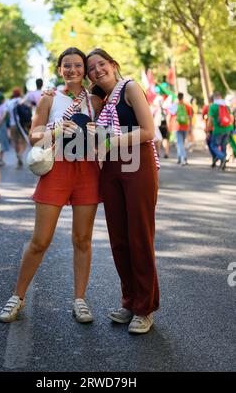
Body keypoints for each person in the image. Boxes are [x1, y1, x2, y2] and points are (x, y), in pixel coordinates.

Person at [0, 47, 102, 324]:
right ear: (59, 70)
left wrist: (98, 133)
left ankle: (80, 300)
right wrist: (55, 130)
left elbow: (109, 129)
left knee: (82, 240)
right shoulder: (49, 99)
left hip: (88, 170)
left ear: (85, 69)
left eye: (78, 65)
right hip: (56, 168)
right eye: (66, 65)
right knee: (40, 240)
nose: (72, 70)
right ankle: (17, 297)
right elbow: (35, 136)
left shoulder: (95, 100)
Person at [86, 48, 159, 334]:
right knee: (119, 239)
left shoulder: (129, 88)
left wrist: (107, 140)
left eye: (101, 64)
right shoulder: (101, 101)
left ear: (113, 64)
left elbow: (149, 131)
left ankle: (145, 308)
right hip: (111, 168)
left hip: (137, 163)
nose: (97, 70)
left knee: (139, 236)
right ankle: (129, 301)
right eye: (91, 68)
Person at [207, 91, 233, 170]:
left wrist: (208, 130)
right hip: (228, 129)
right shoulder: (226, 106)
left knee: (213, 145)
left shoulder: (212, 107)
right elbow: (231, 118)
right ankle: (223, 163)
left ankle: (222, 157)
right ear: (220, 97)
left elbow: (210, 120)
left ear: (214, 98)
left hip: (218, 130)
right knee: (223, 146)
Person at [7, 88, 28, 169]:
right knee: (24, 142)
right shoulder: (22, 100)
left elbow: (8, 114)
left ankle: (18, 158)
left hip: (13, 125)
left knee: (15, 142)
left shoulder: (9, 103)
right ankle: (20, 154)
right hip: (22, 125)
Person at [0, 94, 10, 166]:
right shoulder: (4, 107)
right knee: (2, 142)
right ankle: (0, 159)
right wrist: (0, 123)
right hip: (1, 125)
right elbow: (3, 116)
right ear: (2, 100)